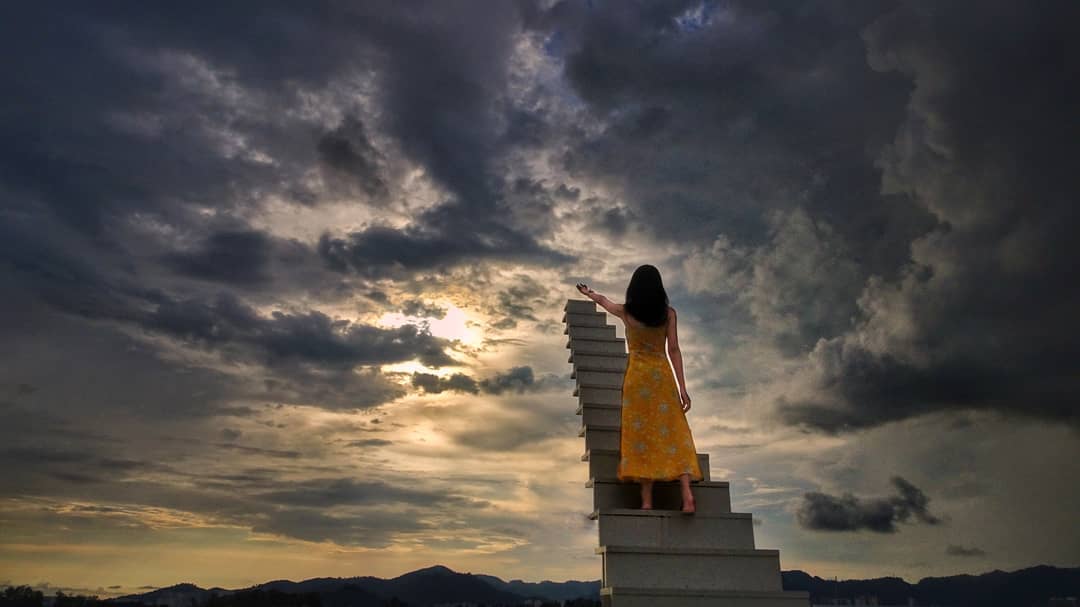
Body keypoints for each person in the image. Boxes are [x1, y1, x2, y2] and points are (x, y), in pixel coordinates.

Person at [576, 264, 702, 514]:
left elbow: (604, 301)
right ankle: (687, 495)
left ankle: (646, 501)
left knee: (642, 435)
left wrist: (589, 293)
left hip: (637, 380)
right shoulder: (668, 314)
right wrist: (682, 387)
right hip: (662, 378)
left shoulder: (626, 312)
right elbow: (673, 350)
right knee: (675, 432)